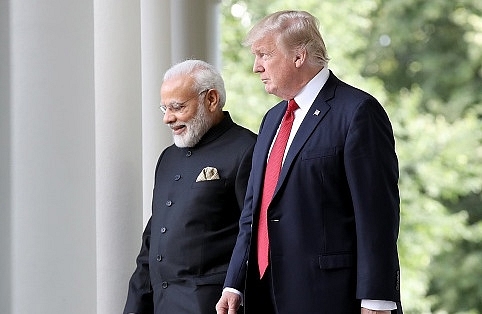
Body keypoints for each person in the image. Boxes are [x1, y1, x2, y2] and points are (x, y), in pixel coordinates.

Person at [216, 10, 402, 314]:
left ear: (299, 56)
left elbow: (377, 216)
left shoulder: (358, 112)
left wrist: (376, 301)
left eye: (264, 54)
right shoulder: (272, 119)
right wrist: (234, 282)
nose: (255, 67)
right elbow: (254, 211)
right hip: (264, 294)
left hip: (330, 297)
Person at [123, 59, 257, 314]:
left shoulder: (248, 149)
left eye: (177, 107)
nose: (167, 118)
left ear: (212, 100)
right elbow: (152, 240)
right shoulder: (167, 157)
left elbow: (253, 235)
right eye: (164, 108)